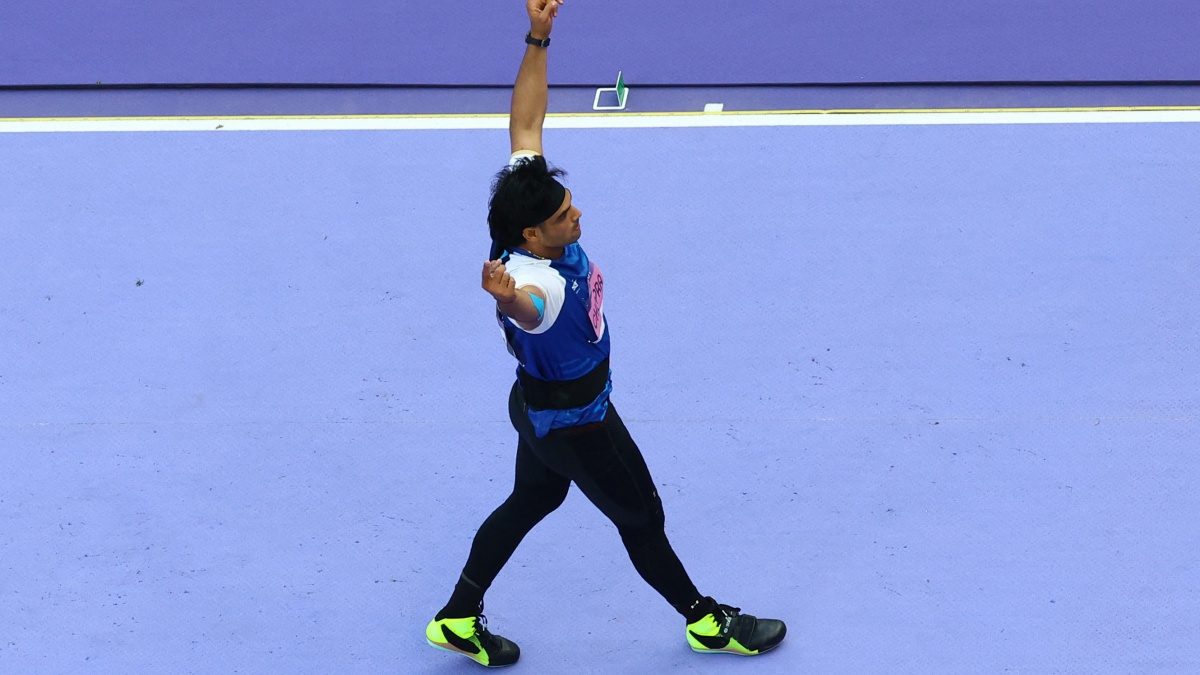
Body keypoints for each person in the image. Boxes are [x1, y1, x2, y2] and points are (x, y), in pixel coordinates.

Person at [424, 0, 786, 667]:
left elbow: (526, 121)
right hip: (579, 423)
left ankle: (456, 614)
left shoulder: (515, 208)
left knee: (535, 495)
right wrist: (509, 305)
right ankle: (705, 621)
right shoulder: (542, 285)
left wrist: (539, 35)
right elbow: (532, 308)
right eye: (564, 216)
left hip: (532, 409)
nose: (576, 214)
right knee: (642, 517)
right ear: (532, 236)